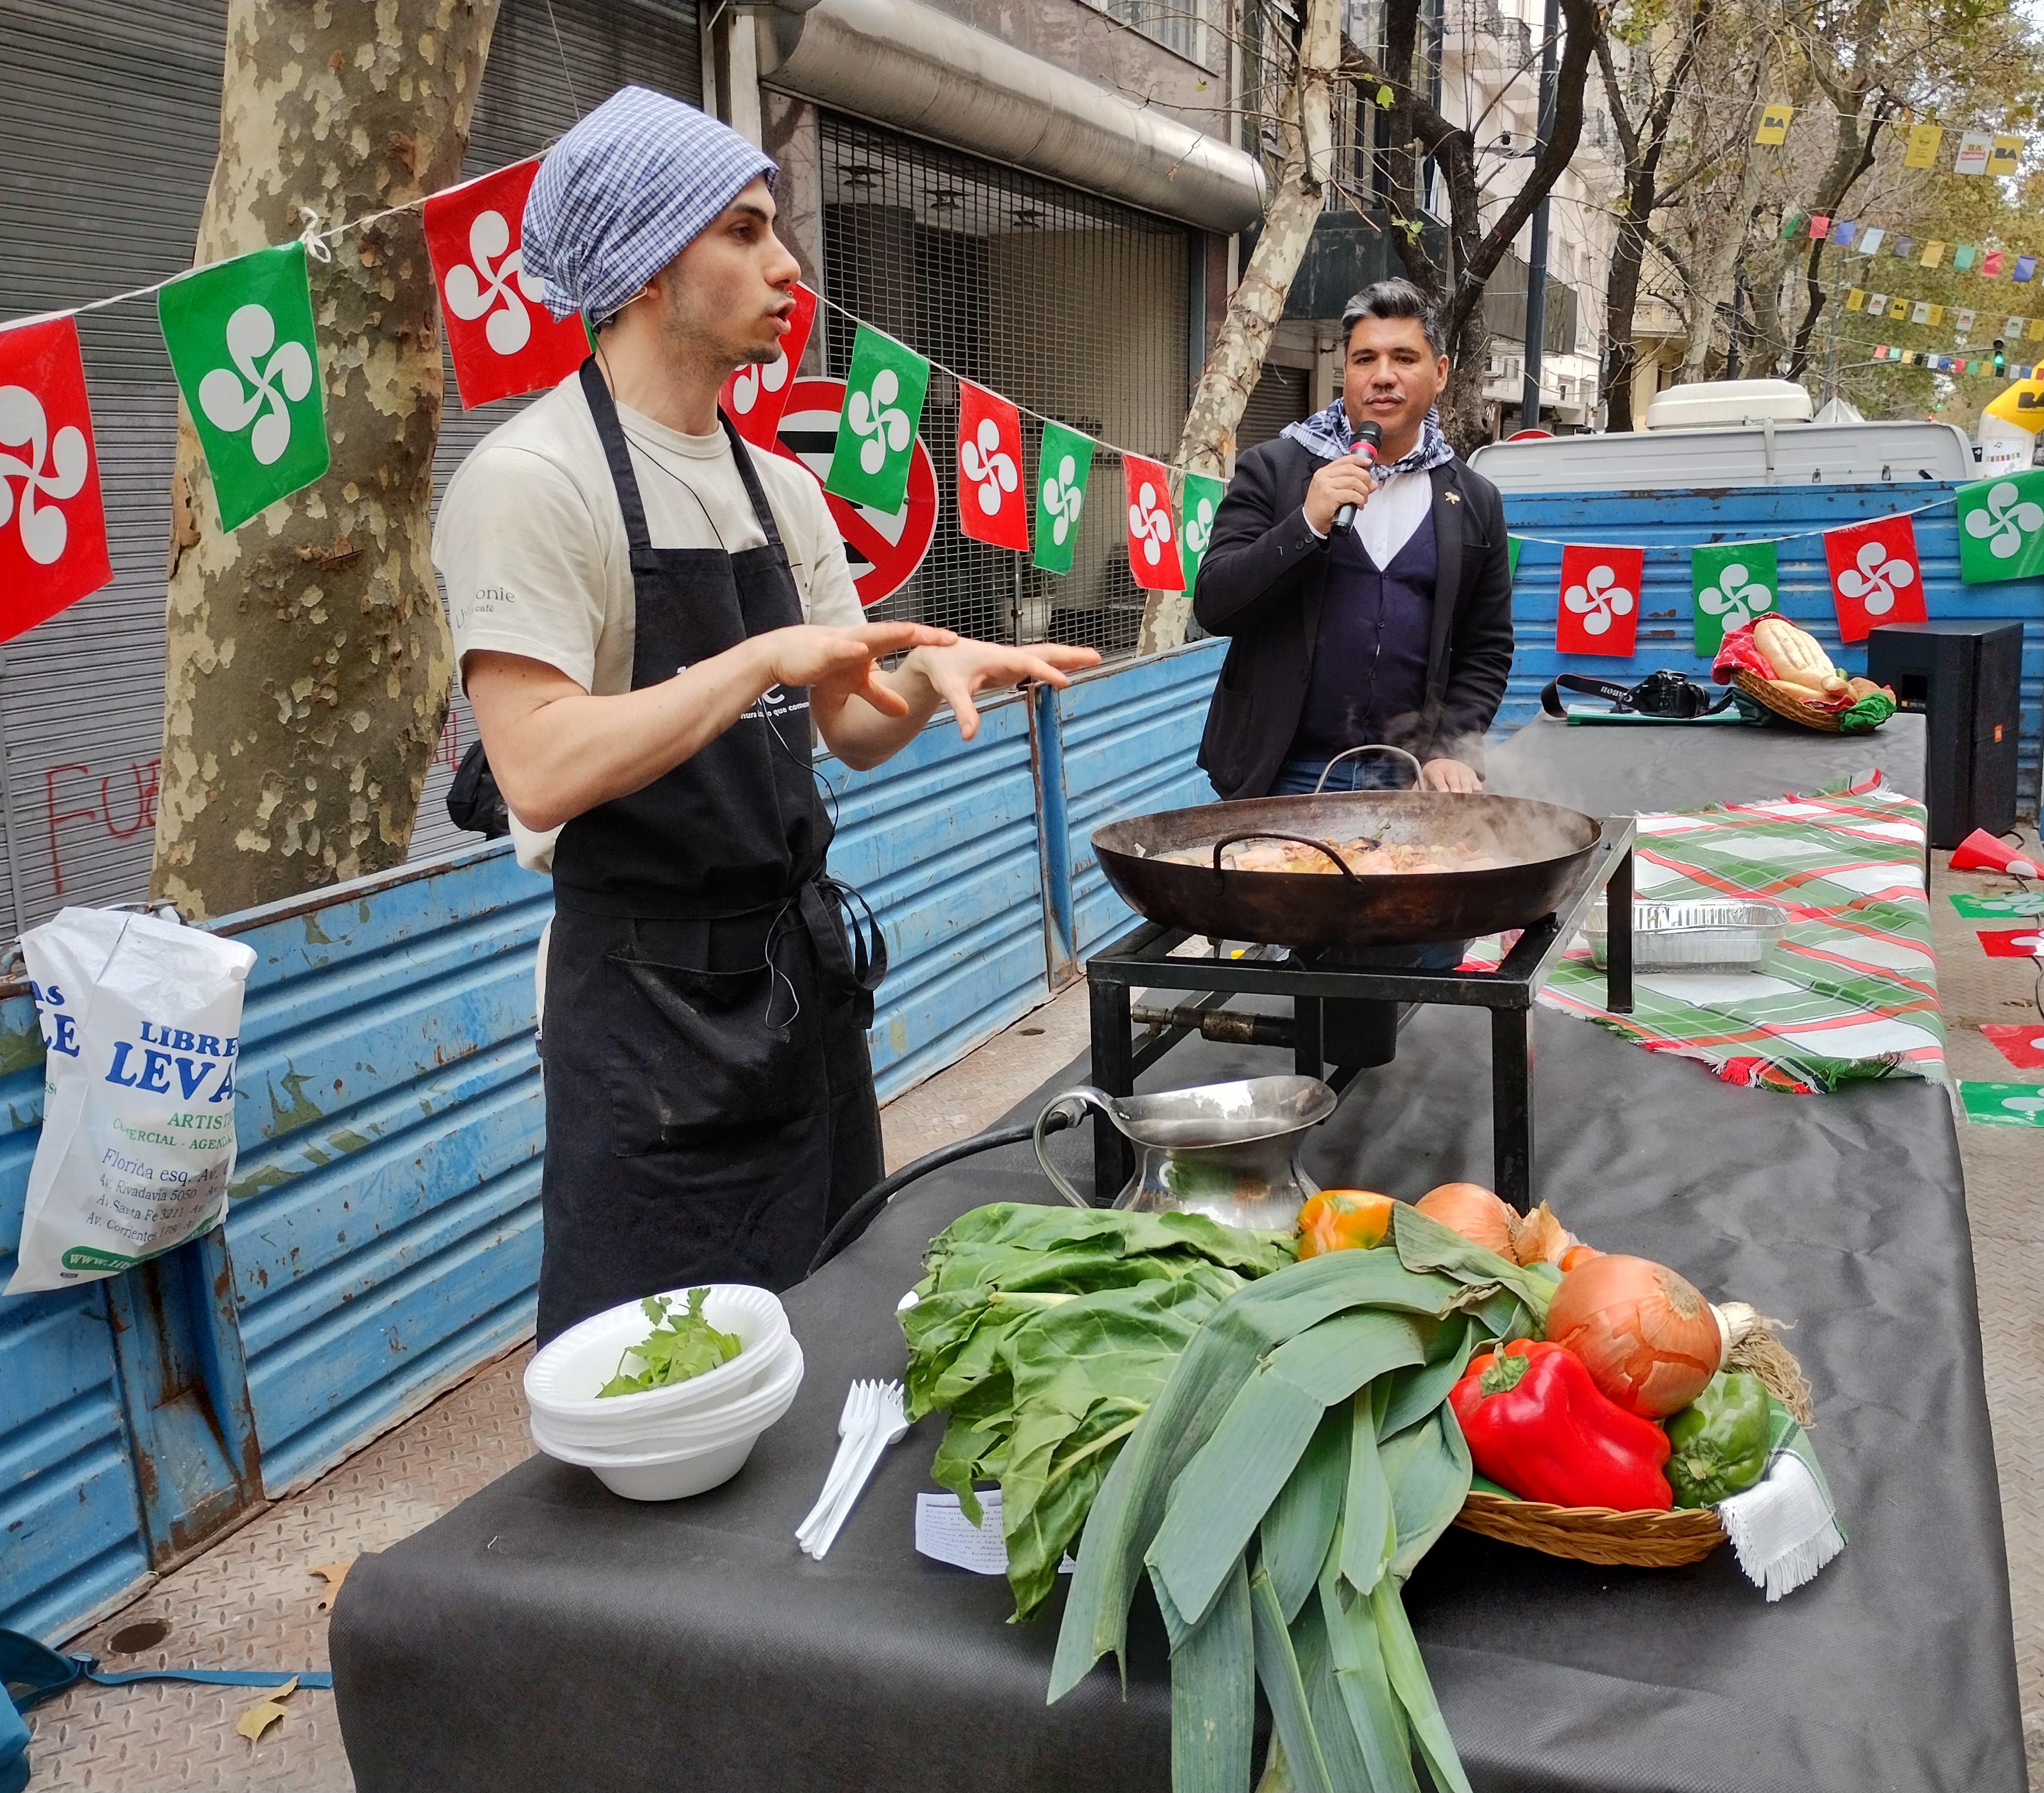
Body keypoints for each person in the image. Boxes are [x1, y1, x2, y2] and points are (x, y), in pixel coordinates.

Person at [438, 88, 1098, 1339]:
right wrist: (760, 661)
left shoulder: (784, 490)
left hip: (798, 982)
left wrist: (938, 675)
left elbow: (846, 725)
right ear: (641, 266)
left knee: (832, 1307)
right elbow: (535, 768)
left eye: (775, 228)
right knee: (664, 1351)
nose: (787, 264)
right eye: (743, 230)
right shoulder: (530, 483)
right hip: (645, 1013)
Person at [1195, 278, 1513, 798]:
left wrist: (1452, 748)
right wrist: (1306, 524)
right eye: (1365, 359)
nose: (1382, 377)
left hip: (1410, 778)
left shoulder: (1474, 499)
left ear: (1439, 374)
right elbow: (1215, 605)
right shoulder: (1274, 470)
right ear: (1346, 372)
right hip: (1279, 775)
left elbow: (1487, 646)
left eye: (1404, 358)